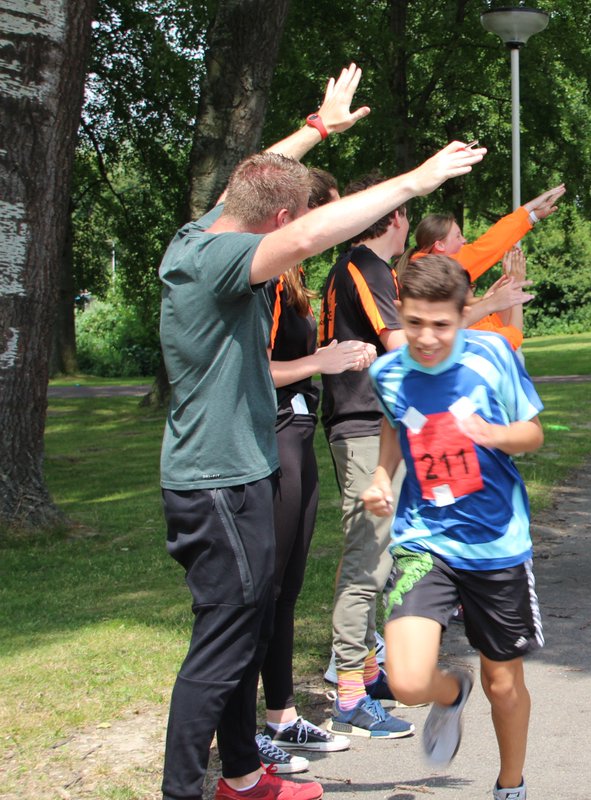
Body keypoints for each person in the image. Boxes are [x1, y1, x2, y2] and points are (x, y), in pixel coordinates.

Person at [158, 59, 485, 800]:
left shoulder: (194, 237)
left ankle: (242, 777)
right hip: (220, 485)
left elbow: (253, 186)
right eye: (288, 218)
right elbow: (305, 238)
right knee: (218, 648)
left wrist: (313, 131)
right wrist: (414, 181)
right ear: (277, 221)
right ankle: (183, 790)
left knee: (240, 634)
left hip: (227, 475)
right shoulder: (224, 260)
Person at [360, 254, 544, 800]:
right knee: (407, 680)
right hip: (425, 540)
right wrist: (379, 477)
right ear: (402, 313)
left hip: (495, 543)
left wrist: (492, 435)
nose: (427, 337)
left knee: (503, 683)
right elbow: (394, 426)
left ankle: (510, 786)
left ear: (463, 315)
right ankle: (448, 692)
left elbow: (532, 434)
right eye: (415, 322)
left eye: (441, 324)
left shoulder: (492, 355)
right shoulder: (388, 370)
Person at [256, 169, 373, 772]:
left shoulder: (296, 277)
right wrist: (321, 361)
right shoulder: (266, 279)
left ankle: (281, 717)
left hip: (299, 434)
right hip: (273, 434)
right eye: (327, 214)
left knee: (289, 586)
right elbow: (252, 372)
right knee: (266, 587)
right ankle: (251, 733)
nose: (333, 229)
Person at [318, 172, 422, 739]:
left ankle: (367, 671)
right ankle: (349, 697)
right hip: (362, 426)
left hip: (367, 423)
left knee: (379, 554)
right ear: (397, 215)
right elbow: (399, 344)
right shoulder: (366, 266)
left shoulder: (358, 267)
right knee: (369, 559)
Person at [401, 183, 565, 350]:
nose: (464, 241)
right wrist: (530, 211)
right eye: (458, 236)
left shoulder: (420, 270)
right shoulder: (445, 266)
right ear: (440, 246)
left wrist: (490, 300)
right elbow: (492, 244)